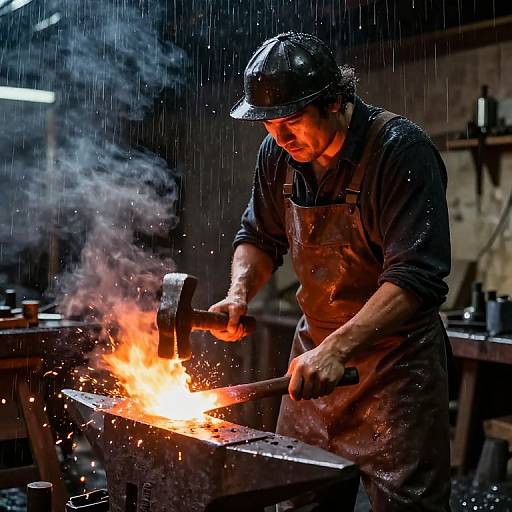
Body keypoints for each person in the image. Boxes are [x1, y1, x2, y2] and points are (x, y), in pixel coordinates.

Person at [209, 31, 451, 511]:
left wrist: (337, 349)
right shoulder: (278, 155)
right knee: (299, 499)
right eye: (269, 124)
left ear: (337, 101)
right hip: (312, 365)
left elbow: (416, 278)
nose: (281, 136)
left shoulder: (400, 152)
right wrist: (239, 293)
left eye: (293, 120)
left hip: (395, 371)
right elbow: (259, 238)